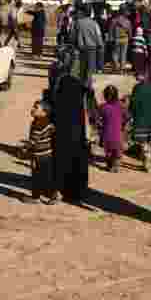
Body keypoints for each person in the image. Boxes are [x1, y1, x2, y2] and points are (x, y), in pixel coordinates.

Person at [51, 58, 93, 203]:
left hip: (63, 129)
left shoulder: (61, 83)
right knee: (76, 160)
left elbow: (54, 104)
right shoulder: (81, 88)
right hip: (77, 131)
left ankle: (58, 190)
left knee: (61, 159)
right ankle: (77, 192)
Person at [26, 94, 57, 203]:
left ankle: (35, 197)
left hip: (38, 156)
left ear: (44, 112)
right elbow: (53, 131)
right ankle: (53, 195)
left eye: (36, 108)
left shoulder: (37, 124)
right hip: (48, 155)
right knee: (48, 177)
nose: (32, 109)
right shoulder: (48, 123)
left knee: (36, 178)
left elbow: (33, 141)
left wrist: (25, 149)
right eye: (33, 106)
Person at [129, 71, 151, 171]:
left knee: (143, 142)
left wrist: (131, 114)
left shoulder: (137, 88)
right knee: (148, 140)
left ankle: (147, 160)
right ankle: (146, 160)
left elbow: (133, 103)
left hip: (141, 119)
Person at [95, 85, 129, 173]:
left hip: (107, 134)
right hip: (118, 133)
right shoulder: (121, 106)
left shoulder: (102, 107)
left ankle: (110, 165)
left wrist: (99, 128)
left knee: (109, 151)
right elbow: (127, 118)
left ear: (105, 95)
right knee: (117, 151)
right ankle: (115, 165)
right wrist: (124, 126)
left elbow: (97, 120)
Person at [70, 7, 103, 87]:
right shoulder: (94, 23)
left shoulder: (77, 23)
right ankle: (87, 85)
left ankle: (81, 83)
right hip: (92, 48)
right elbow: (98, 36)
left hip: (80, 48)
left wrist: (74, 44)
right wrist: (100, 45)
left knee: (81, 67)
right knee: (90, 68)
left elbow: (72, 36)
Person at [110, 9, 132, 74]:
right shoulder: (127, 21)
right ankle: (122, 69)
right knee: (123, 54)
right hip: (125, 39)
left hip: (116, 39)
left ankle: (116, 66)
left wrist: (111, 38)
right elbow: (130, 32)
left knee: (115, 54)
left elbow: (110, 30)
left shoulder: (114, 20)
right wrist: (130, 38)